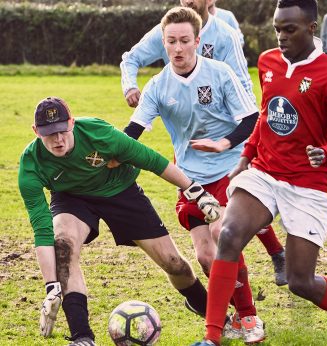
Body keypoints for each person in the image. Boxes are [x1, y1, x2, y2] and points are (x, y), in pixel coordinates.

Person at [192, 0, 327, 345]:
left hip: (309, 184)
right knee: (230, 234)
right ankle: (212, 337)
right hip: (265, 172)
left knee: (300, 281)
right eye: (277, 28)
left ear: (312, 28)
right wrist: (245, 157)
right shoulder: (267, 62)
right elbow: (265, 116)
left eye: (289, 29)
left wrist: (324, 153)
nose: (280, 36)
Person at [18, 97, 222, 346]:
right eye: (49, 134)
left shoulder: (99, 134)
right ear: (36, 131)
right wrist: (51, 286)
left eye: (62, 131)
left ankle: (213, 315)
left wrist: (194, 190)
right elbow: (41, 228)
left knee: (174, 264)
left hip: (120, 190)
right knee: (63, 244)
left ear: (72, 123)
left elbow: (150, 159)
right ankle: (82, 337)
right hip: (72, 198)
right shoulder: (31, 162)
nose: (58, 140)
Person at [122, 6, 267, 343]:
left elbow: (251, 118)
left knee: (222, 231)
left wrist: (224, 143)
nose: (178, 48)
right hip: (189, 179)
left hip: (229, 170)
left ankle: (249, 317)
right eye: (171, 41)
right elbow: (134, 130)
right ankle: (231, 314)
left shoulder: (219, 74)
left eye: (185, 41)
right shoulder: (158, 85)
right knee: (204, 256)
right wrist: (107, 154)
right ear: (164, 42)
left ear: (197, 41)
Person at [121, 0, 253, 109]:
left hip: (222, 124)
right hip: (184, 125)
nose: (188, 1)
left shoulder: (226, 35)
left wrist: (251, 123)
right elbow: (131, 58)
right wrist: (130, 87)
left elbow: (242, 84)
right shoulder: (165, 32)